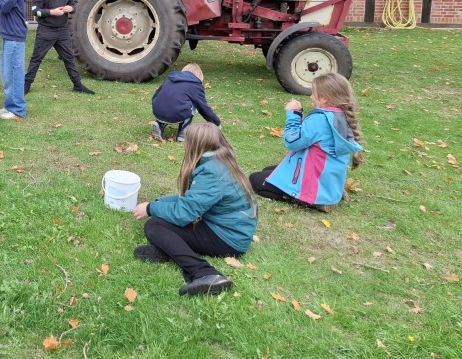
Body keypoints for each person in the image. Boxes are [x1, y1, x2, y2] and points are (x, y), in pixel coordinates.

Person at [132, 123, 257, 296]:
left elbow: (183, 214)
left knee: (154, 227)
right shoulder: (218, 161)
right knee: (162, 224)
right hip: (228, 229)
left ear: (195, 145)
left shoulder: (212, 173)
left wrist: (151, 208)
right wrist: (157, 202)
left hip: (229, 238)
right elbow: (190, 199)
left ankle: (206, 273)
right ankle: (169, 251)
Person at [249, 72, 364, 212]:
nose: (310, 96)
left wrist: (293, 113)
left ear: (324, 99)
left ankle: (305, 199)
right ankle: (326, 195)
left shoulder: (320, 119)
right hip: (325, 180)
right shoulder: (342, 114)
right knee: (268, 170)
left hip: (314, 185)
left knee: (255, 180)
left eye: (313, 93)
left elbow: (292, 141)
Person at [24, 0, 94, 95]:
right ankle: (26, 85)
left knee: (69, 58)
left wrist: (70, 8)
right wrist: (51, 12)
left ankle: (78, 85)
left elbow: (73, 5)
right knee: (36, 58)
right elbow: (35, 10)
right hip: (46, 31)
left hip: (62, 31)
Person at [151, 63, 220, 142]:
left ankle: (159, 124)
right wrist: (215, 122)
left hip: (158, 110)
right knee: (194, 105)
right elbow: (203, 107)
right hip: (177, 112)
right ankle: (183, 132)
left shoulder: (170, 79)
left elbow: (157, 94)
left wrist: (155, 104)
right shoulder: (195, 85)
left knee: (170, 103)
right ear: (198, 75)